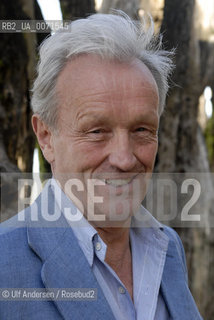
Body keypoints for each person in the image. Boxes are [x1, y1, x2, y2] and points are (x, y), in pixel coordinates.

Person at [0, 11, 203, 320]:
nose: (123, 159)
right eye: (96, 131)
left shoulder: (167, 245)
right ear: (46, 137)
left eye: (141, 130)